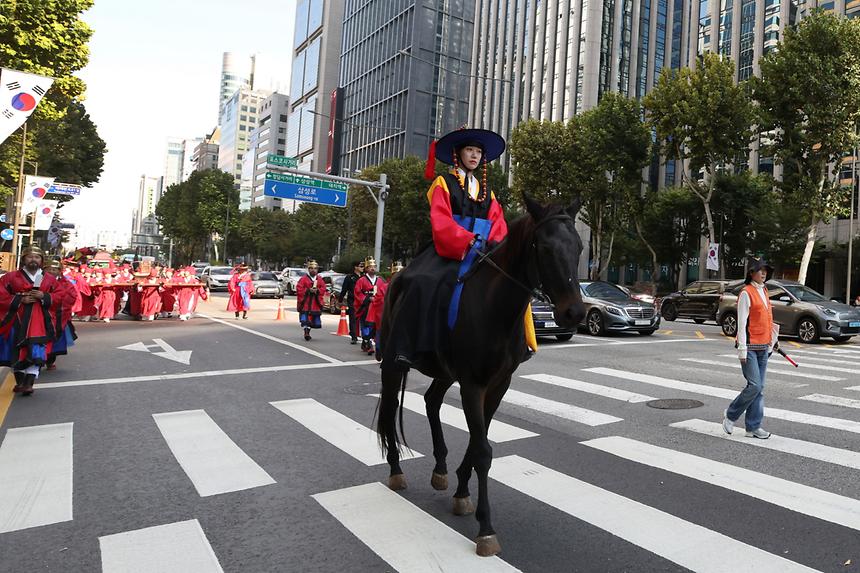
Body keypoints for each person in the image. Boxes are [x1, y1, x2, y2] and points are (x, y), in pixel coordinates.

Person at [380, 127, 535, 370]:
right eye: (469, 150)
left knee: (512, 283)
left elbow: (498, 223)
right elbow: (440, 219)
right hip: (450, 248)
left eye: (478, 152)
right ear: (458, 153)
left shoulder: (488, 192)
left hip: (484, 250)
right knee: (420, 281)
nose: (474, 155)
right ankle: (404, 348)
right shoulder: (443, 182)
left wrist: (493, 244)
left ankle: (519, 344)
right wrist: (466, 239)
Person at [723, 258, 779, 439]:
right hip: (750, 347)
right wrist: (742, 349)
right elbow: (741, 323)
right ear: (751, 273)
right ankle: (731, 414)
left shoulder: (764, 290)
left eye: (765, 270)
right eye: (760, 270)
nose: (763, 273)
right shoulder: (746, 292)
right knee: (754, 386)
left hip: (764, 346)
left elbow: (768, 318)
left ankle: (753, 427)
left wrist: (773, 340)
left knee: (759, 389)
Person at [0, 245, 63, 395]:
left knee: (36, 350)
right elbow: (1, 294)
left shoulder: (49, 279)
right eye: (29, 257)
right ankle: (20, 382)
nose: (33, 260)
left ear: (41, 260)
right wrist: (19, 299)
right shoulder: (10, 277)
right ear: (23, 259)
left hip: (39, 320)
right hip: (16, 318)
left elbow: (60, 295)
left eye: (37, 257)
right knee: (15, 349)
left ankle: (28, 384)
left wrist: (44, 296)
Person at [354, 257, 387, 355]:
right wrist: (367, 298)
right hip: (366, 306)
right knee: (365, 325)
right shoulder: (361, 280)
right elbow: (357, 292)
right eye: (370, 267)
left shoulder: (380, 280)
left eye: (374, 266)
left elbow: (384, 292)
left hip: (377, 307)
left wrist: (378, 299)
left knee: (376, 326)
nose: (372, 268)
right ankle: (368, 343)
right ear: (366, 268)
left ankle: (368, 342)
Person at [295, 260, 327, 341]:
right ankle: (306, 332)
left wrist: (317, 291)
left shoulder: (319, 279)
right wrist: (308, 290)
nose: (313, 270)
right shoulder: (303, 279)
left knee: (312, 319)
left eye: (315, 268)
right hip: (306, 302)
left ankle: (308, 331)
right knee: (306, 319)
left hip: (315, 303)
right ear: (308, 269)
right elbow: (299, 289)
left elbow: (323, 288)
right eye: (311, 268)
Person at [339, 260, 364, 344]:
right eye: (361, 266)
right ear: (355, 267)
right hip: (352, 300)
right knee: (353, 318)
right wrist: (340, 300)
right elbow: (344, 289)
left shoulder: (364, 277)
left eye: (363, 266)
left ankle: (365, 336)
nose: (362, 268)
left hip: (363, 301)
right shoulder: (349, 277)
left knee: (364, 318)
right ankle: (354, 336)